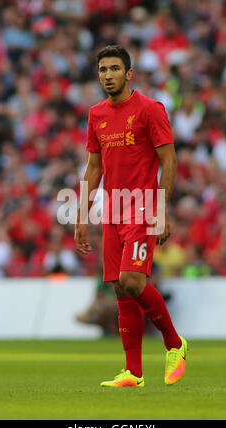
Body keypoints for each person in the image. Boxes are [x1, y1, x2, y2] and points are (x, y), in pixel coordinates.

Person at [74, 45, 187, 388]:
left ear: (129, 74)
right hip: (112, 210)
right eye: (103, 70)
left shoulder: (151, 109)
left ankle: (175, 343)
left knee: (134, 280)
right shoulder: (96, 114)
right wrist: (82, 216)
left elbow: (169, 160)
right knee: (121, 289)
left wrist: (162, 211)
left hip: (141, 206)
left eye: (114, 69)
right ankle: (133, 372)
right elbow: (94, 168)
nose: (107, 75)